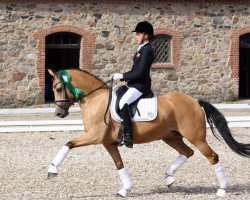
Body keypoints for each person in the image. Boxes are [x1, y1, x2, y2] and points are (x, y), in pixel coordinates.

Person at [111, 21, 155, 148]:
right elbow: (133, 70)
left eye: (138, 34)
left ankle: (128, 136)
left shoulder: (148, 50)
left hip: (141, 85)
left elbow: (140, 73)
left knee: (123, 102)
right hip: (134, 84)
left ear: (146, 35)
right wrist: (120, 75)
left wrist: (122, 76)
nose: (136, 37)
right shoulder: (140, 49)